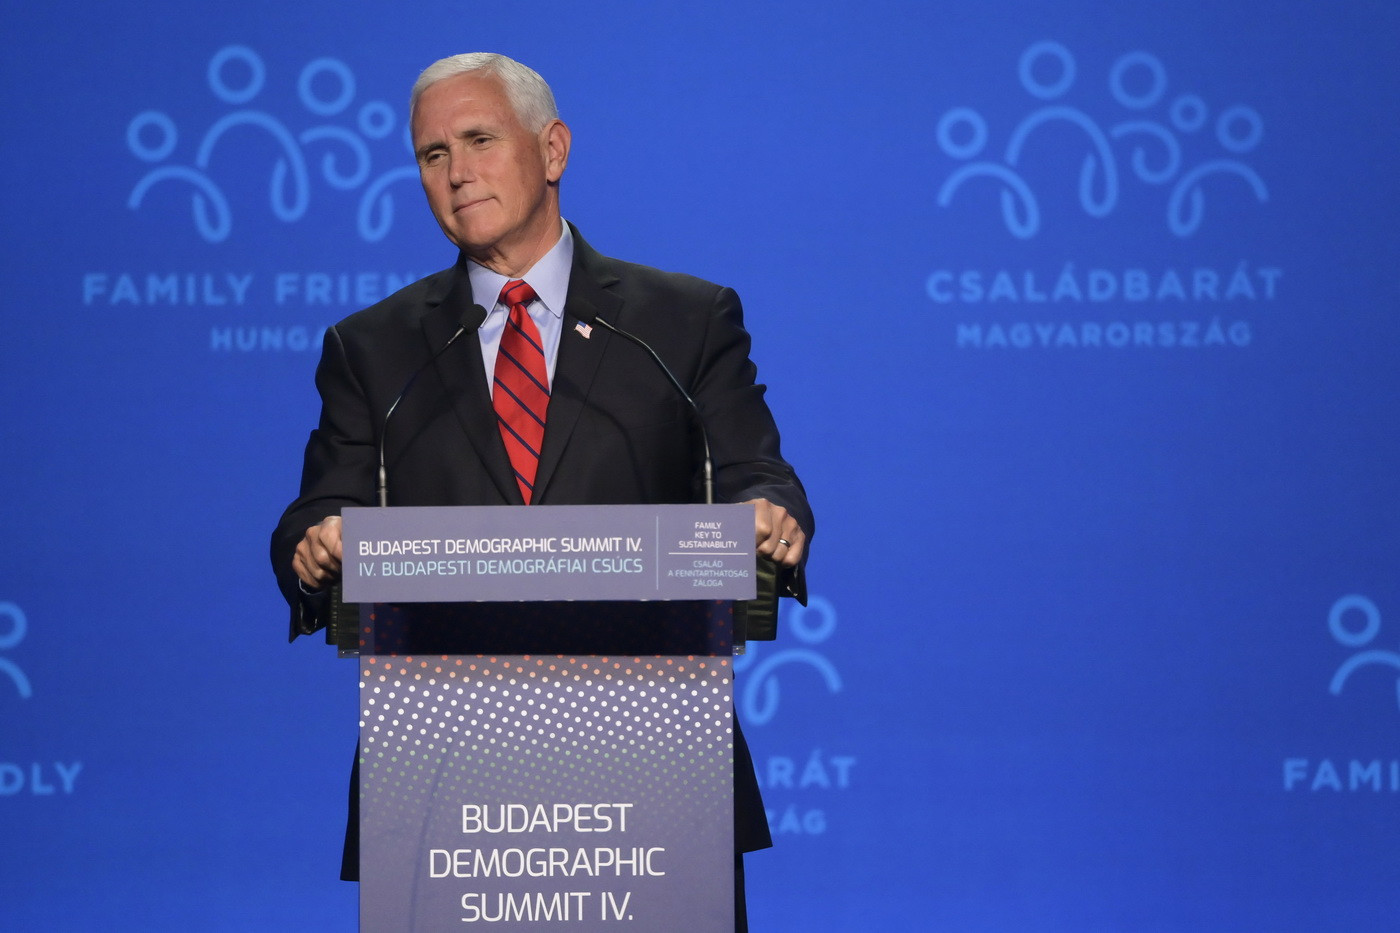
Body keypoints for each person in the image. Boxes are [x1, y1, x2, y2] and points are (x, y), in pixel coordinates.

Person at [270, 52, 812, 930]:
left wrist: (764, 514)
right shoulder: (374, 348)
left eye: (479, 139)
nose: (456, 172)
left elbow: (752, 469)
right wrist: (319, 540)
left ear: (552, 149)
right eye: (433, 153)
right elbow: (321, 506)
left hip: (653, 769)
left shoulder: (682, 321)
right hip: (444, 785)